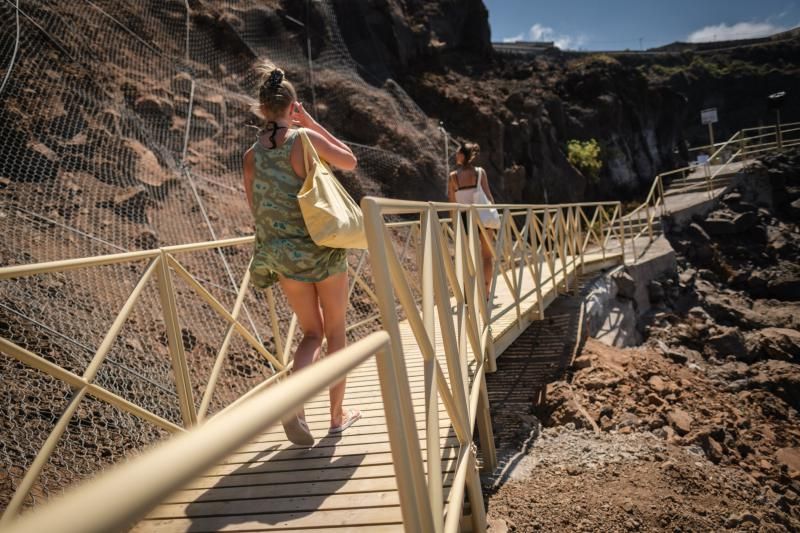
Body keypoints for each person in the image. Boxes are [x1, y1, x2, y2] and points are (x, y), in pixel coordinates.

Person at [243, 63, 361, 446]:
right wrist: (309, 122)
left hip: (282, 256)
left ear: (262, 109)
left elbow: (256, 209)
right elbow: (349, 161)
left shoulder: (250, 156)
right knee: (336, 332)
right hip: (322, 250)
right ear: (292, 106)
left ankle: (295, 404)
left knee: (311, 333)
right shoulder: (303, 138)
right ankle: (336, 416)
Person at [447, 142, 495, 299]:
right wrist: (494, 214)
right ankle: (486, 293)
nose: (455, 156)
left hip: (464, 218)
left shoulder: (453, 177)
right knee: (487, 256)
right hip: (483, 217)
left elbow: (452, 204)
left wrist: (455, 225)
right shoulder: (480, 173)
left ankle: (468, 293)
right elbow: (488, 196)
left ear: (463, 155)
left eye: (457, 153)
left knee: (466, 257)